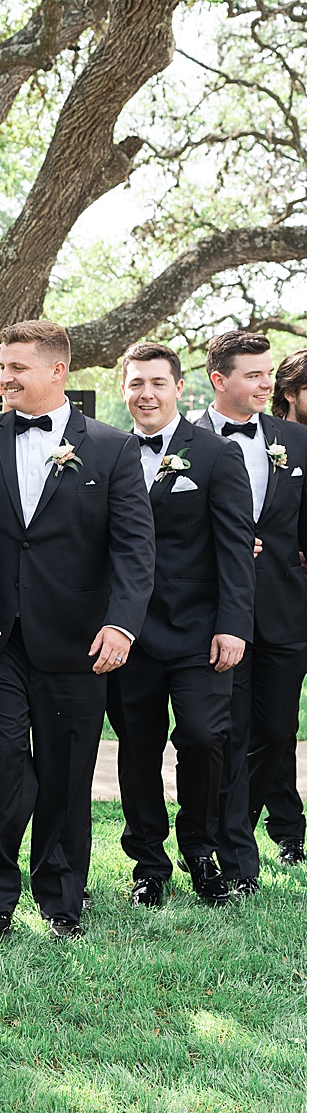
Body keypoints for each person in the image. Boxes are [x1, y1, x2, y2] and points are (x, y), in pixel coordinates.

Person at [0, 321, 155, 942]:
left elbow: (134, 548)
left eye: (17, 367)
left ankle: (61, 899)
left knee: (69, 769)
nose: (4, 377)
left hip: (79, 640)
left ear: (57, 372)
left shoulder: (112, 448)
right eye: (0, 366)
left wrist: (122, 622)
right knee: (3, 760)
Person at [107, 343, 255, 907]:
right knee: (136, 747)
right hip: (128, 632)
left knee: (202, 735)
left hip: (200, 631)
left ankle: (201, 846)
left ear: (179, 389)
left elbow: (236, 549)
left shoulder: (215, 456)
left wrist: (234, 624)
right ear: (125, 389)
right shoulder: (107, 453)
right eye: (136, 383)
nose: (146, 393)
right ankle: (147, 861)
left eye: (157, 383)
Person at [197, 333, 306, 896]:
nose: (269, 384)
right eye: (255, 375)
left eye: (270, 375)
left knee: (276, 731)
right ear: (220, 380)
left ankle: (231, 828)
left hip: (286, 613)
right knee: (224, 735)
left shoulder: (298, 441)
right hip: (216, 615)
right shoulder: (184, 442)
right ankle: (231, 853)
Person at [264, 350, 307, 866]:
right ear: (292, 394)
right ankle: (285, 824)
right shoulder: (268, 441)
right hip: (277, 600)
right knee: (275, 723)